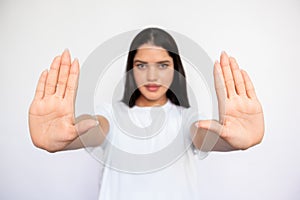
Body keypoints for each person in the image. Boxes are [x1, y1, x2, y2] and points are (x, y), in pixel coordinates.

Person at [28, 28, 264, 199]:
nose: (152, 76)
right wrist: (63, 136)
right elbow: (90, 130)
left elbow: (204, 136)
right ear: (131, 69)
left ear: (176, 69)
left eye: (163, 65)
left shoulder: (187, 119)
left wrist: (233, 141)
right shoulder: (111, 115)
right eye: (141, 65)